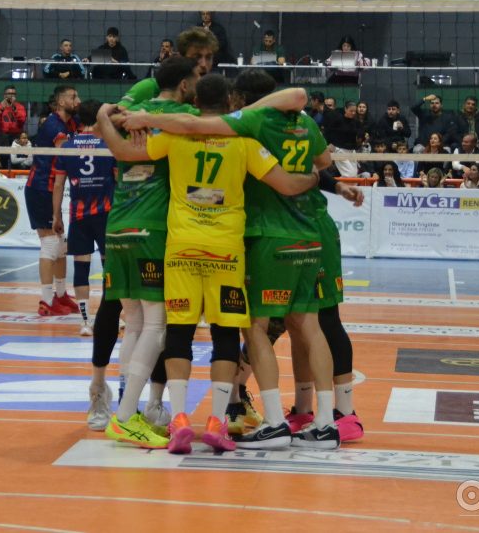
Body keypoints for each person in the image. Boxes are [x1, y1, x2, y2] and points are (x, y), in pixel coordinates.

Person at [99, 73, 318, 455]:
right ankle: (217, 421)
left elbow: (124, 152)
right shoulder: (244, 141)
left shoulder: (174, 136)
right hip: (225, 252)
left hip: (182, 249)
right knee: (225, 334)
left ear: (195, 101)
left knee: (179, 332)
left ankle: (180, 419)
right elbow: (286, 184)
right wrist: (315, 177)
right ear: (230, 103)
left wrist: (104, 118)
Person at [86, 51, 204, 439]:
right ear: (184, 84)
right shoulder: (181, 119)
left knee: (134, 322)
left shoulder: (132, 115)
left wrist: (106, 115)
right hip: (152, 228)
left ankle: (130, 408)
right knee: (157, 324)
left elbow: (107, 129)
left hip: (118, 226)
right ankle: (125, 415)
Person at [52, 100, 116, 336]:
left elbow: (58, 185)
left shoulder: (67, 147)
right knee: (110, 267)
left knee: (81, 267)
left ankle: (86, 322)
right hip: (106, 214)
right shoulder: (109, 144)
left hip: (79, 217)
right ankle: (110, 318)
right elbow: (119, 179)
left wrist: (56, 216)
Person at [26, 84, 81, 316]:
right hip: (41, 188)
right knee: (50, 243)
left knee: (61, 245)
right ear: (60, 102)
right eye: (73, 97)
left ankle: (61, 294)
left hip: (53, 189)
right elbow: (68, 154)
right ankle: (46, 301)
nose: (78, 100)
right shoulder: (53, 125)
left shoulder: (71, 122)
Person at [322, 101, 362, 178]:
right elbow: (328, 132)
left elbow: (360, 135)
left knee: (354, 176)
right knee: (349, 174)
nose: (353, 113)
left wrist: (361, 138)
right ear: (345, 109)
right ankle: (334, 184)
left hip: (352, 151)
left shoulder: (357, 122)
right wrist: (329, 144)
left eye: (354, 111)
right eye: (351, 111)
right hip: (339, 150)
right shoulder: (338, 120)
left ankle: (335, 184)